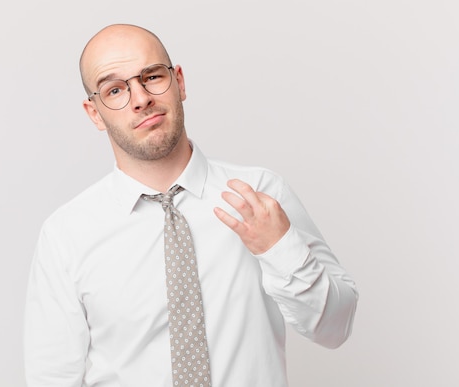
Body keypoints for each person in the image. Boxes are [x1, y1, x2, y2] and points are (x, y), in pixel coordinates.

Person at [24, 23, 358, 387]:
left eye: (151, 76)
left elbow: (335, 327)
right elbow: (52, 378)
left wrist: (281, 250)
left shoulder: (260, 193)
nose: (140, 99)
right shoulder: (66, 235)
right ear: (94, 113)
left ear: (179, 82)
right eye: (115, 89)